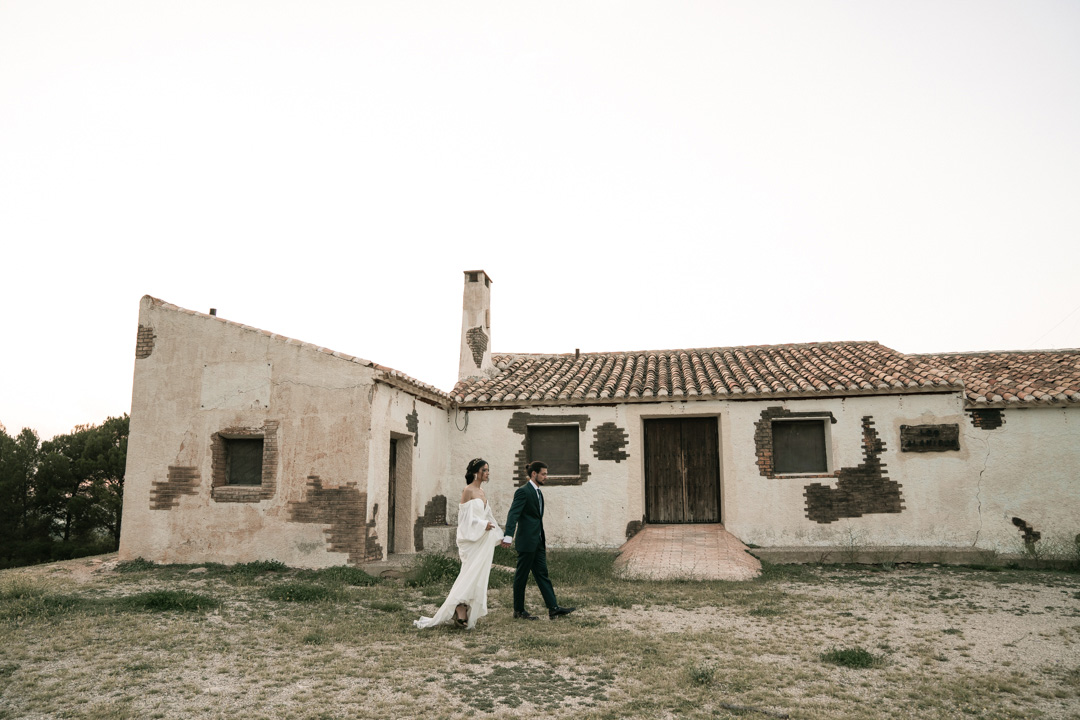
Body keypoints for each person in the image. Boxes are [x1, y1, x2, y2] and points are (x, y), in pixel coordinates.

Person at [414, 458, 502, 630]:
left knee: (478, 576)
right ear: (475, 472)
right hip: (471, 540)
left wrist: (498, 533)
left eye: (488, 470)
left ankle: (464, 606)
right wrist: (482, 525)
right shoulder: (468, 491)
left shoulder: (482, 492)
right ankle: (459, 606)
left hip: (482, 540)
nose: (487, 473)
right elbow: (464, 519)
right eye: (484, 470)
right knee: (468, 574)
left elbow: (487, 515)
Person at [501, 461, 576, 621]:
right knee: (521, 576)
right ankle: (518, 611)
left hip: (538, 541)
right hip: (527, 542)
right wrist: (508, 535)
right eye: (543, 474)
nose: (546, 477)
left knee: (542, 574)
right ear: (534, 474)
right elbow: (513, 514)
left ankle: (553, 608)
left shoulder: (538, 493)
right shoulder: (523, 491)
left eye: (546, 474)